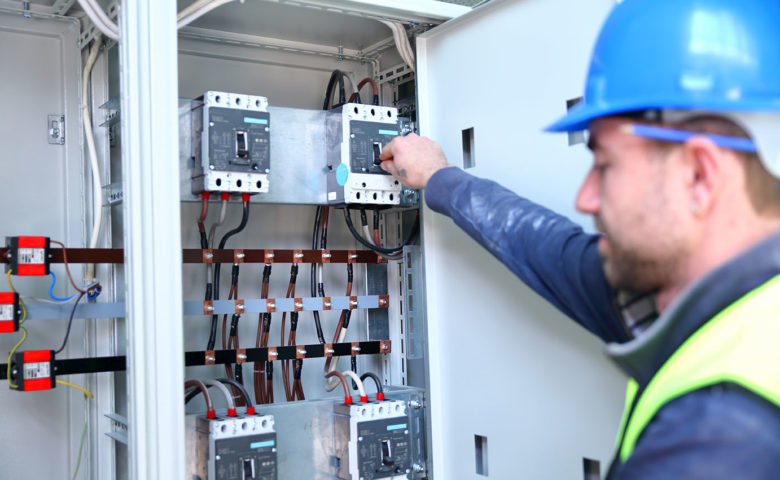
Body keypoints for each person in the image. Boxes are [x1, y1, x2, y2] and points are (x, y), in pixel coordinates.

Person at [378, 0, 780, 478]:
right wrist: (440, 177)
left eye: (606, 165)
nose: (586, 197)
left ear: (699, 176)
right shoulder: (717, 304)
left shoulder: (716, 440)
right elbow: (554, 252)